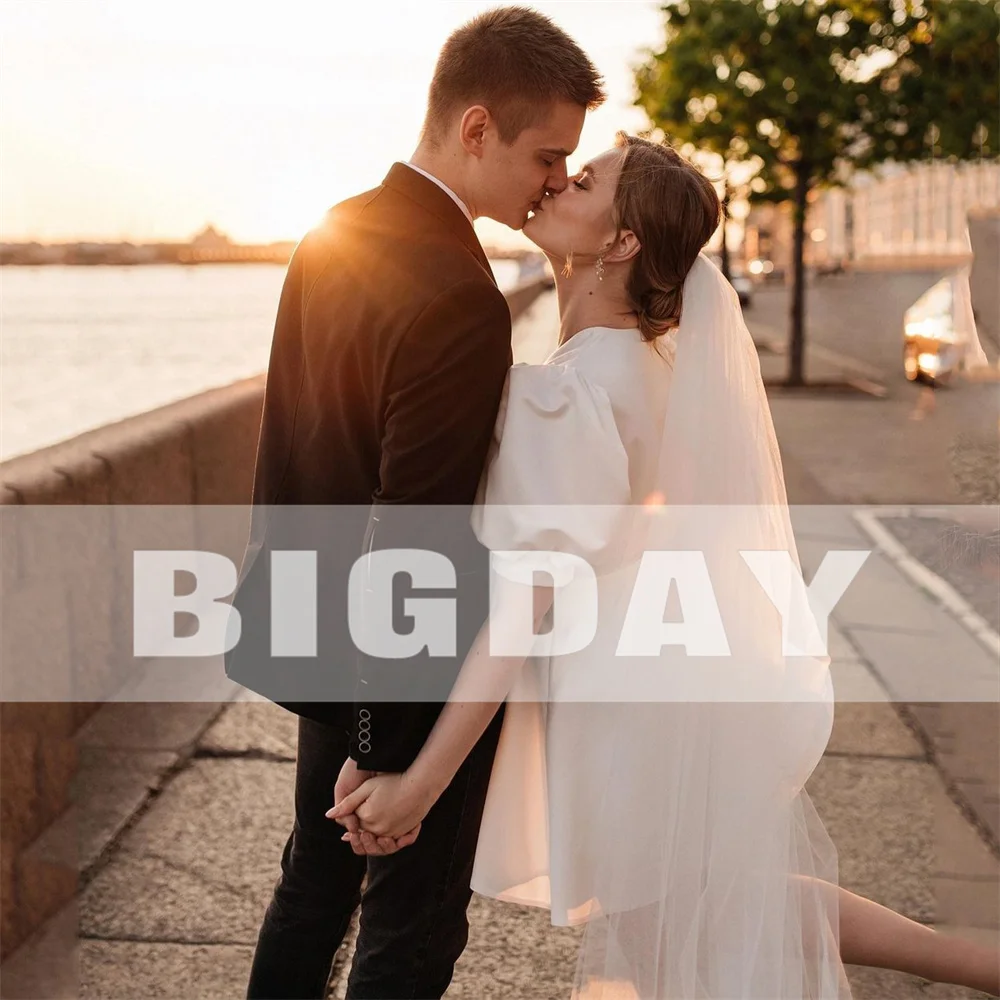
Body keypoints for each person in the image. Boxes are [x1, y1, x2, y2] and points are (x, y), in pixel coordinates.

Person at [329, 134, 1000, 998]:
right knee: (707, 906)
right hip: (666, 678)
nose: (559, 182)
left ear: (622, 243)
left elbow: (528, 602)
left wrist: (423, 780)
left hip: (620, 702)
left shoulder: (567, 389)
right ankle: (977, 962)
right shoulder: (654, 364)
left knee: (669, 932)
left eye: (585, 179)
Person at [227, 7, 605, 999]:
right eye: (545, 155)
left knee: (311, 884)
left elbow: (299, 449)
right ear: (475, 128)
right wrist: (388, 748)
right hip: (397, 669)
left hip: (317, 628)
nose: (556, 180)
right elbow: (416, 532)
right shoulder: (458, 292)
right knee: (413, 920)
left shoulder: (334, 228)